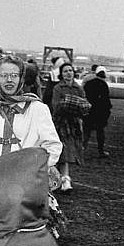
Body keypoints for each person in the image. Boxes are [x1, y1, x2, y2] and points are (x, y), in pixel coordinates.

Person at [0, 55, 64, 238]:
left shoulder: (36, 109)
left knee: (27, 244)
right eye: (3, 75)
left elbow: (52, 146)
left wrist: (33, 174)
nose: (9, 80)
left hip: (28, 191)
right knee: (1, 242)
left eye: (14, 75)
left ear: (22, 77)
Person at [51, 62, 88, 191]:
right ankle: (65, 179)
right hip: (61, 124)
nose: (68, 73)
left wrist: (74, 105)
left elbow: (84, 105)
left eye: (70, 71)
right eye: (66, 71)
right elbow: (56, 106)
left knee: (70, 151)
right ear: (61, 74)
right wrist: (69, 104)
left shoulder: (79, 88)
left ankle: (62, 178)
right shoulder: (57, 88)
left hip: (74, 124)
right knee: (63, 151)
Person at [82, 65, 112, 159]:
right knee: (100, 132)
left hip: (89, 110)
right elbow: (106, 100)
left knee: (86, 132)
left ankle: (82, 150)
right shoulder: (104, 85)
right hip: (100, 112)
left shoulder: (88, 83)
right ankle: (101, 151)